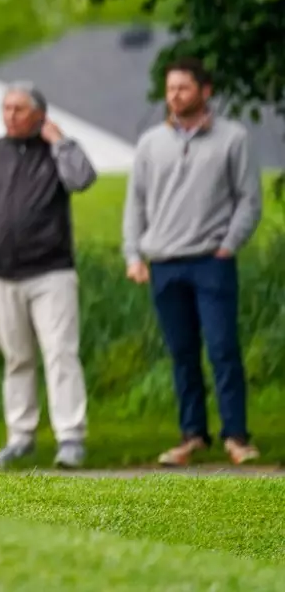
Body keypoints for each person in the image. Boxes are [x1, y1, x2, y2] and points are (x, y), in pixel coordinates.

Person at [124, 56, 265, 466]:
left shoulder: (233, 139)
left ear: (205, 91)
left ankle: (236, 437)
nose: (174, 96)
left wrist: (228, 244)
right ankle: (192, 436)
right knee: (182, 353)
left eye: (183, 88)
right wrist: (134, 254)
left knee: (222, 349)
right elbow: (136, 203)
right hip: (165, 262)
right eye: (170, 89)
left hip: (211, 261)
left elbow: (248, 200)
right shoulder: (151, 143)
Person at [0, 83, 98, 469]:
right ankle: (20, 437)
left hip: (50, 273)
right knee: (17, 359)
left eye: (19, 109)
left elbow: (82, 179)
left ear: (39, 115)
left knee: (60, 354)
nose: (11, 115)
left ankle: (70, 437)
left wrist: (59, 140)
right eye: (6, 108)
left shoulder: (55, 152)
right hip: (2, 276)